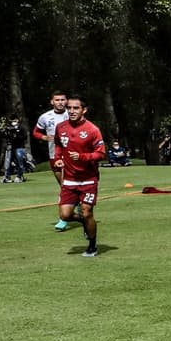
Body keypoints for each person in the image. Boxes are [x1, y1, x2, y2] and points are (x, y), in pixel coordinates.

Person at [52, 95, 105, 258]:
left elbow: (101, 154)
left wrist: (82, 157)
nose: (71, 111)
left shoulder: (92, 129)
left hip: (88, 179)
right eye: (69, 108)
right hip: (69, 179)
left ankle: (92, 245)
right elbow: (58, 146)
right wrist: (58, 159)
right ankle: (84, 222)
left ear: (84, 110)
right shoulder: (61, 127)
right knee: (65, 215)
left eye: (76, 108)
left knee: (87, 211)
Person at [34, 91, 71, 230]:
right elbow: (36, 132)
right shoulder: (45, 117)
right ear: (52, 102)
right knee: (64, 187)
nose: (60, 102)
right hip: (53, 156)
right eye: (57, 100)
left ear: (66, 101)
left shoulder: (72, 113)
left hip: (71, 156)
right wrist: (43, 137)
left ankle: (63, 219)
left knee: (66, 188)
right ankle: (75, 208)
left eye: (63, 99)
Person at [0, 114, 30, 183]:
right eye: (12, 121)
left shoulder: (21, 128)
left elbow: (24, 137)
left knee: (20, 162)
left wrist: (16, 135)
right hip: (10, 147)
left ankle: (19, 176)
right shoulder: (9, 129)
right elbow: (5, 137)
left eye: (15, 120)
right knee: (8, 162)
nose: (13, 122)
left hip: (19, 147)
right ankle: (7, 177)